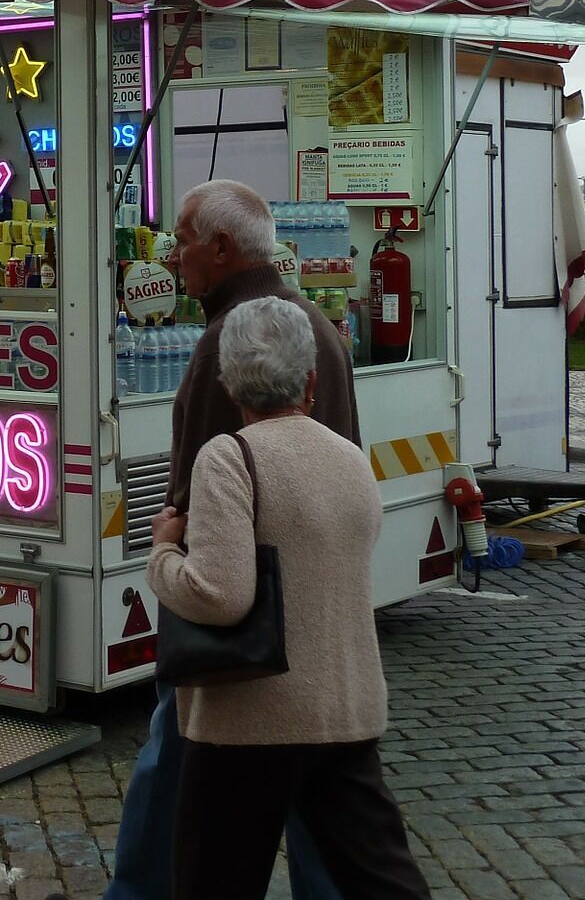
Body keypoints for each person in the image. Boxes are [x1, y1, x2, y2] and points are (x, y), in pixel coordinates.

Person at [106, 179, 359, 900]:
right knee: (318, 781)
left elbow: (200, 483)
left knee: (177, 760)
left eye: (182, 238)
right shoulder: (317, 326)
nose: (172, 254)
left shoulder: (235, 337)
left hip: (237, 600)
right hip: (316, 597)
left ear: (220, 249)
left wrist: (171, 552)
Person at [148, 297, 429, 898]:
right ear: (311, 380)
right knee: (381, 879)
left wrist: (164, 556)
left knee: (215, 882)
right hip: (347, 711)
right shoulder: (350, 459)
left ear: (228, 382)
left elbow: (219, 596)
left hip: (249, 721)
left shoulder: (228, 456)